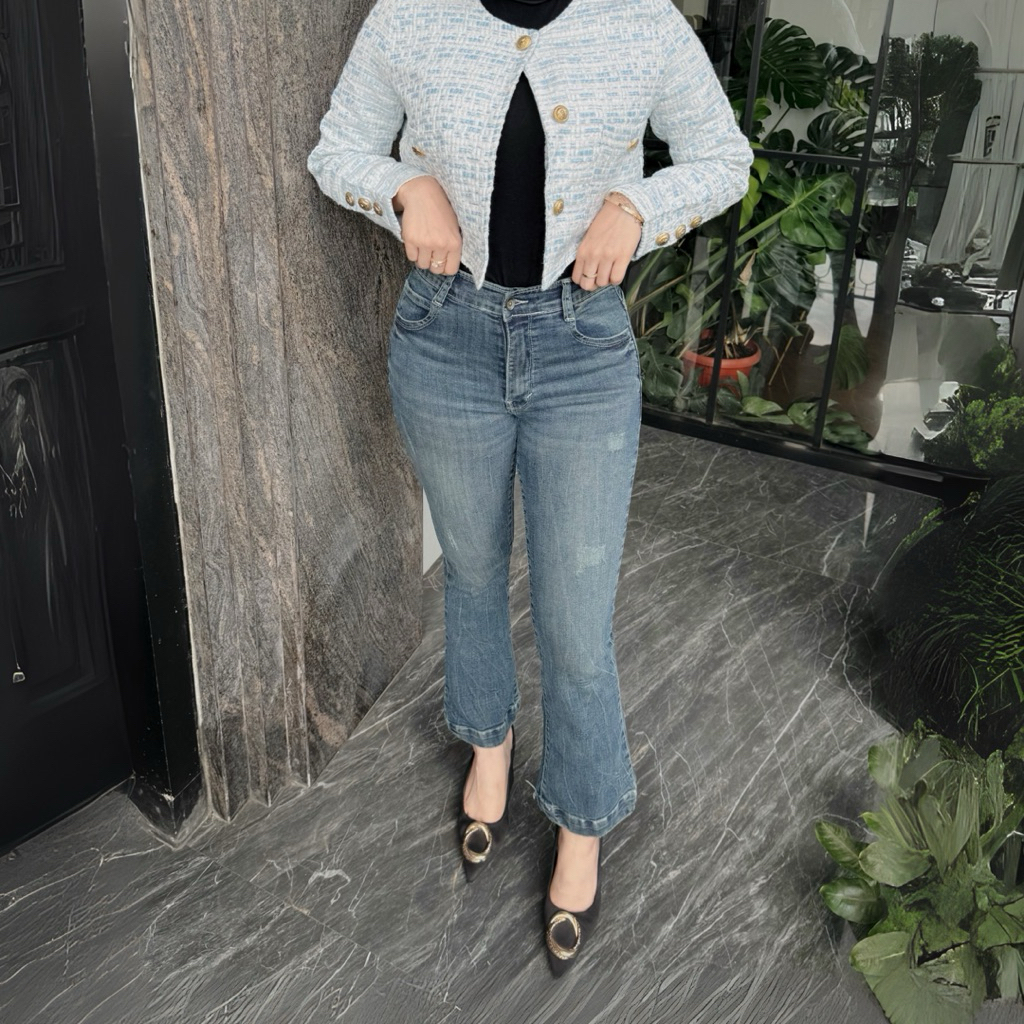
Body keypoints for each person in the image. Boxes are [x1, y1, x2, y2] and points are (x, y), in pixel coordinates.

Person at [308, 0, 751, 975]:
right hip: (444, 337)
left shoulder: (641, 22)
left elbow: (725, 158)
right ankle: (489, 745)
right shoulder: (409, 16)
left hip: (580, 346)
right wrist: (404, 187)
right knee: (470, 569)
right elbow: (336, 149)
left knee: (575, 617)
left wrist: (635, 208)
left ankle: (582, 818)